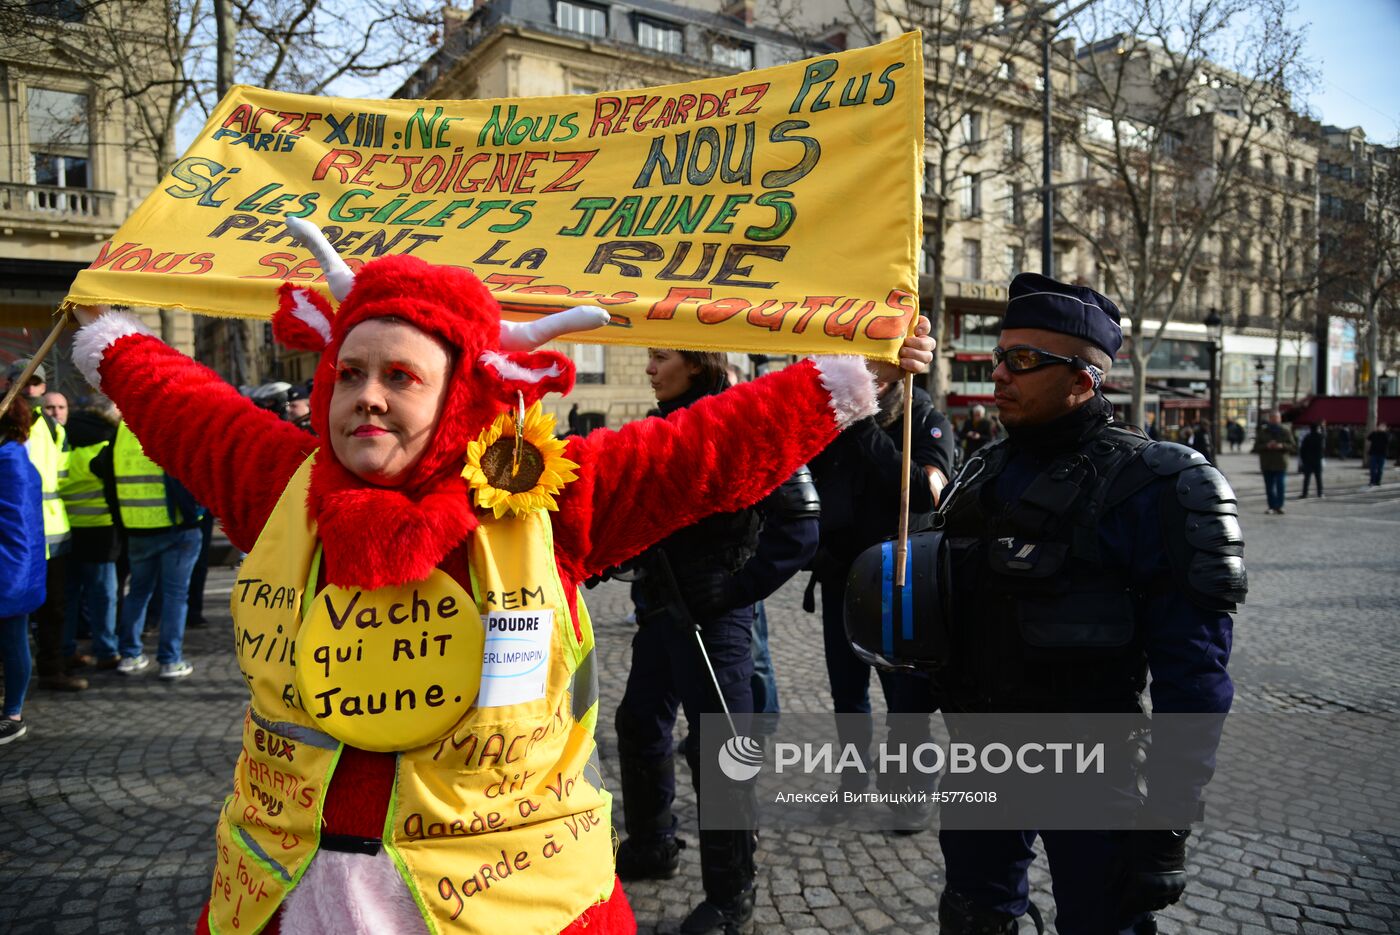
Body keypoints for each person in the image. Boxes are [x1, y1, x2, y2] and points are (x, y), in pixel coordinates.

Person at [70, 218, 933, 935]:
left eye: (400, 377)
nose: (367, 396)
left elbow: (703, 449)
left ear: (459, 394)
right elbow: (180, 403)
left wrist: (859, 375)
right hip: (292, 890)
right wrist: (104, 333)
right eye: (350, 373)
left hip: (505, 898)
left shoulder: (542, 495)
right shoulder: (280, 481)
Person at [915, 273, 1241, 935]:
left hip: (1092, 769)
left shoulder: (1159, 485)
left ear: (1086, 377)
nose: (1000, 371)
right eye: (1000, 353)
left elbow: (1195, 675)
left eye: (1024, 360)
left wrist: (1170, 819)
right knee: (973, 915)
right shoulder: (982, 470)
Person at [613, 348, 821, 935]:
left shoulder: (743, 419)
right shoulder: (655, 426)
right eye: (648, 357)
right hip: (661, 606)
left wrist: (739, 587)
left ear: (697, 363)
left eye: (659, 358)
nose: (649, 368)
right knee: (639, 721)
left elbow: (801, 522)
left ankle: (732, 896)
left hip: (718, 616)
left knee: (721, 753)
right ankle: (653, 842)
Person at [806, 361, 955, 827]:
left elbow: (924, 492)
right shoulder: (834, 421)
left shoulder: (924, 418)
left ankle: (910, 793)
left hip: (899, 582)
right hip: (841, 578)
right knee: (847, 695)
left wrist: (866, 426)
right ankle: (851, 785)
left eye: (875, 363)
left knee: (904, 699)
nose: (865, 369)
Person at [98, 417, 204, 678]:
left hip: (137, 525)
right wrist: (194, 514)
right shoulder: (168, 423)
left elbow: (102, 467)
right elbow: (184, 472)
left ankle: (130, 655)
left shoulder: (123, 428)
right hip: (176, 527)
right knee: (175, 596)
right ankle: (170, 660)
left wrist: (120, 518)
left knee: (137, 593)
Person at [3, 360, 83, 691]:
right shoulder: (7, 423)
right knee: (12, 611)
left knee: (54, 608)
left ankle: (52, 667)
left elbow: (63, 476)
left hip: (52, 531)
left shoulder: (53, 427)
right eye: (24, 383)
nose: (31, 389)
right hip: (17, 535)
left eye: (36, 383)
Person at [59, 404, 122, 669]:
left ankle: (66, 649)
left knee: (69, 595)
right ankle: (106, 650)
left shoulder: (63, 442)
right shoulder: (107, 442)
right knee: (103, 595)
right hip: (101, 530)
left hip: (65, 530)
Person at [1, 393, 47, 744]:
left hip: (10, 568)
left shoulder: (10, 460)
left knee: (15, 640)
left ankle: (13, 713)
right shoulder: (13, 457)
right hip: (14, 566)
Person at [1252, 411, 1296, 514]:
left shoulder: (1285, 431)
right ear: (1269, 419)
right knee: (1269, 487)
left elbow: (1293, 446)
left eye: (1276, 418)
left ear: (1280, 419)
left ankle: (1279, 506)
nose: (1275, 420)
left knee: (1280, 485)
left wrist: (1282, 446)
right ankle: (1271, 506)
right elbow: (1256, 447)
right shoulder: (1263, 431)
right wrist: (1266, 446)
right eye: (1272, 418)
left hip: (1281, 463)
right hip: (1267, 463)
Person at [1299, 421, 1325, 499]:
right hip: (1317, 460)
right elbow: (1322, 449)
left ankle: (1305, 493)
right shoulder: (1320, 437)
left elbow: (1302, 449)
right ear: (1317, 428)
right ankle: (1320, 493)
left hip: (1308, 460)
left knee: (1307, 478)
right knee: (1318, 478)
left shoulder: (1307, 437)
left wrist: (1303, 459)